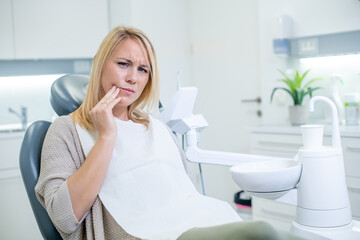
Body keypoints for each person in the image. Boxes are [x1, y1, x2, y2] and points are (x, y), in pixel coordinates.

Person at [35, 26, 304, 240]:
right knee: (261, 233)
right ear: (100, 64)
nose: (133, 78)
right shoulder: (66, 130)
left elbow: (185, 193)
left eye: (143, 70)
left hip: (195, 223)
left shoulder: (158, 129)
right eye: (123, 64)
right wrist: (106, 136)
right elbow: (63, 218)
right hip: (147, 234)